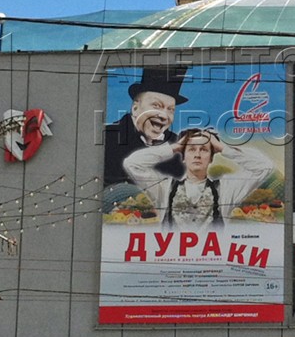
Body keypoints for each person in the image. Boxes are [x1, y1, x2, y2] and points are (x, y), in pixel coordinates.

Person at [125, 127, 275, 226]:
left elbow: (265, 166)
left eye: (203, 149)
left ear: (211, 157)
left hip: (212, 268)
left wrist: (223, 148)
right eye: (191, 149)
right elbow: (132, 164)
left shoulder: (226, 189)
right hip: (171, 267)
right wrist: (174, 147)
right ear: (183, 156)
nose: (197, 154)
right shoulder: (164, 188)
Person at [103, 67, 188, 187]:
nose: (164, 116)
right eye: (156, 105)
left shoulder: (178, 146)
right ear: (135, 108)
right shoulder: (107, 137)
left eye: (170, 110)